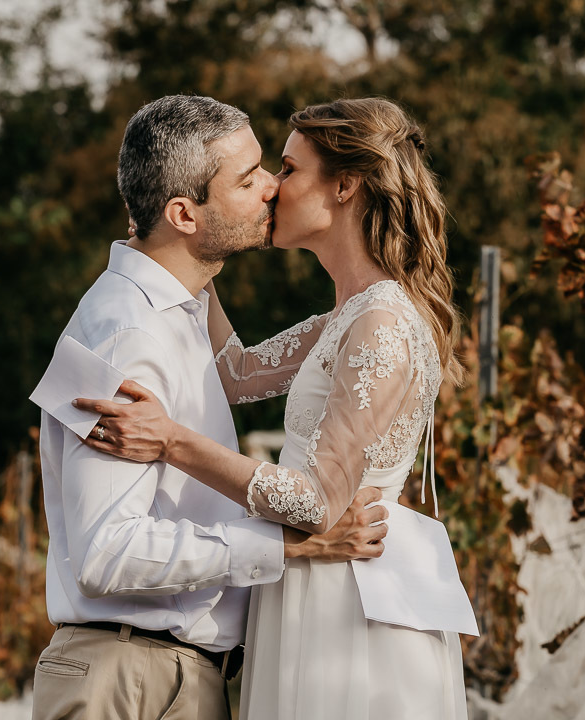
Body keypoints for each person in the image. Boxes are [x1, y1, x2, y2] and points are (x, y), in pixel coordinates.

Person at [78, 97, 470, 719]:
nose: (271, 189)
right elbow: (235, 372)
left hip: (348, 599)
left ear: (344, 186)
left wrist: (172, 442)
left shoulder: (383, 324)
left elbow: (318, 502)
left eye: (286, 170)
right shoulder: (349, 316)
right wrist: (164, 247)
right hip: (307, 587)